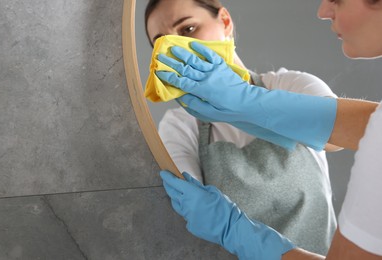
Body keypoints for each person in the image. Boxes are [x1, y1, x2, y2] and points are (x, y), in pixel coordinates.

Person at [157, 0, 382, 259]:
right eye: (160, 42)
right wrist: (244, 105)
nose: (322, 11)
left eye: (188, 29)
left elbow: (343, 135)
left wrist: (233, 230)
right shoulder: (181, 124)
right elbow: (370, 126)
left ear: (226, 21)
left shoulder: (289, 84)